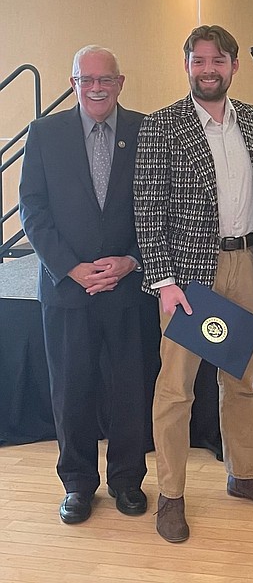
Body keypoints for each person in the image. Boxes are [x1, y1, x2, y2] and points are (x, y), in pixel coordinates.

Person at [133, 24, 253, 544]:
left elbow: (249, 179)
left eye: (218, 61)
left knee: (242, 379)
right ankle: (172, 496)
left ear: (233, 67)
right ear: (186, 65)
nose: (209, 70)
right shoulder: (162, 125)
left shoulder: (249, 117)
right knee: (177, 390)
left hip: (246, 263)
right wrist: (163, 281)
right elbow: (149, 207)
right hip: (190, 278)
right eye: (199, 61)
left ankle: (244, 475)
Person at [19, 45, 157, 524]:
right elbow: (32, 210)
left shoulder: (147, 131)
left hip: (127, 287)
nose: (96, 87)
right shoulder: (44, 133)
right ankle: (77, 484)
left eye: (106, 79)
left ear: (121, 83)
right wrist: (71, 268)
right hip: (66, 290)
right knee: (70, 390)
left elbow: (157, 206)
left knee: (129, 390)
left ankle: (127, 481)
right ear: (73, 83)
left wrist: (131, 261)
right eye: (86, 79)